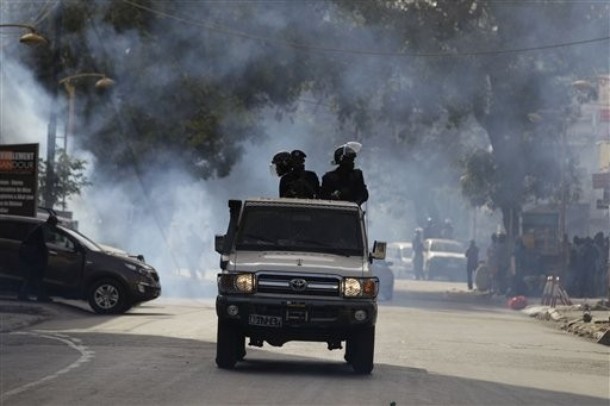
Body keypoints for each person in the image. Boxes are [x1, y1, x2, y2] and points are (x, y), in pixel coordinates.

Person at [18, 215, 58, 302]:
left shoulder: (42, 227)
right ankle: (37, 296)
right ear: (51, 223)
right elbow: (42, 244)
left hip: (32, 254)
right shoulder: (44, 228)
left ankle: (27, 294)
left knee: (33, 276)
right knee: (36, 276)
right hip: (33, 255)